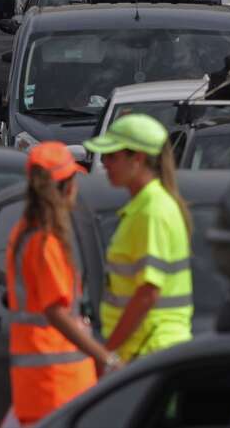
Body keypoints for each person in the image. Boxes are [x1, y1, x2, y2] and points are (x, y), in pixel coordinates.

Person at [4, 142, 119, 427]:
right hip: (59, 386)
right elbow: (56, 312)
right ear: (66, 187)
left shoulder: (25, 233)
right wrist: (106, 357)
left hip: (40, 387)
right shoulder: (46, 241)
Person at [83, 113, 193, 362]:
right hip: (146, 348)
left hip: (148, 349)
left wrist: (107, 353)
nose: (105, 163)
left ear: (139, 158)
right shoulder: (147, 206)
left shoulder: (151, 210)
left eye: (113, 156)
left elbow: (148, 293)